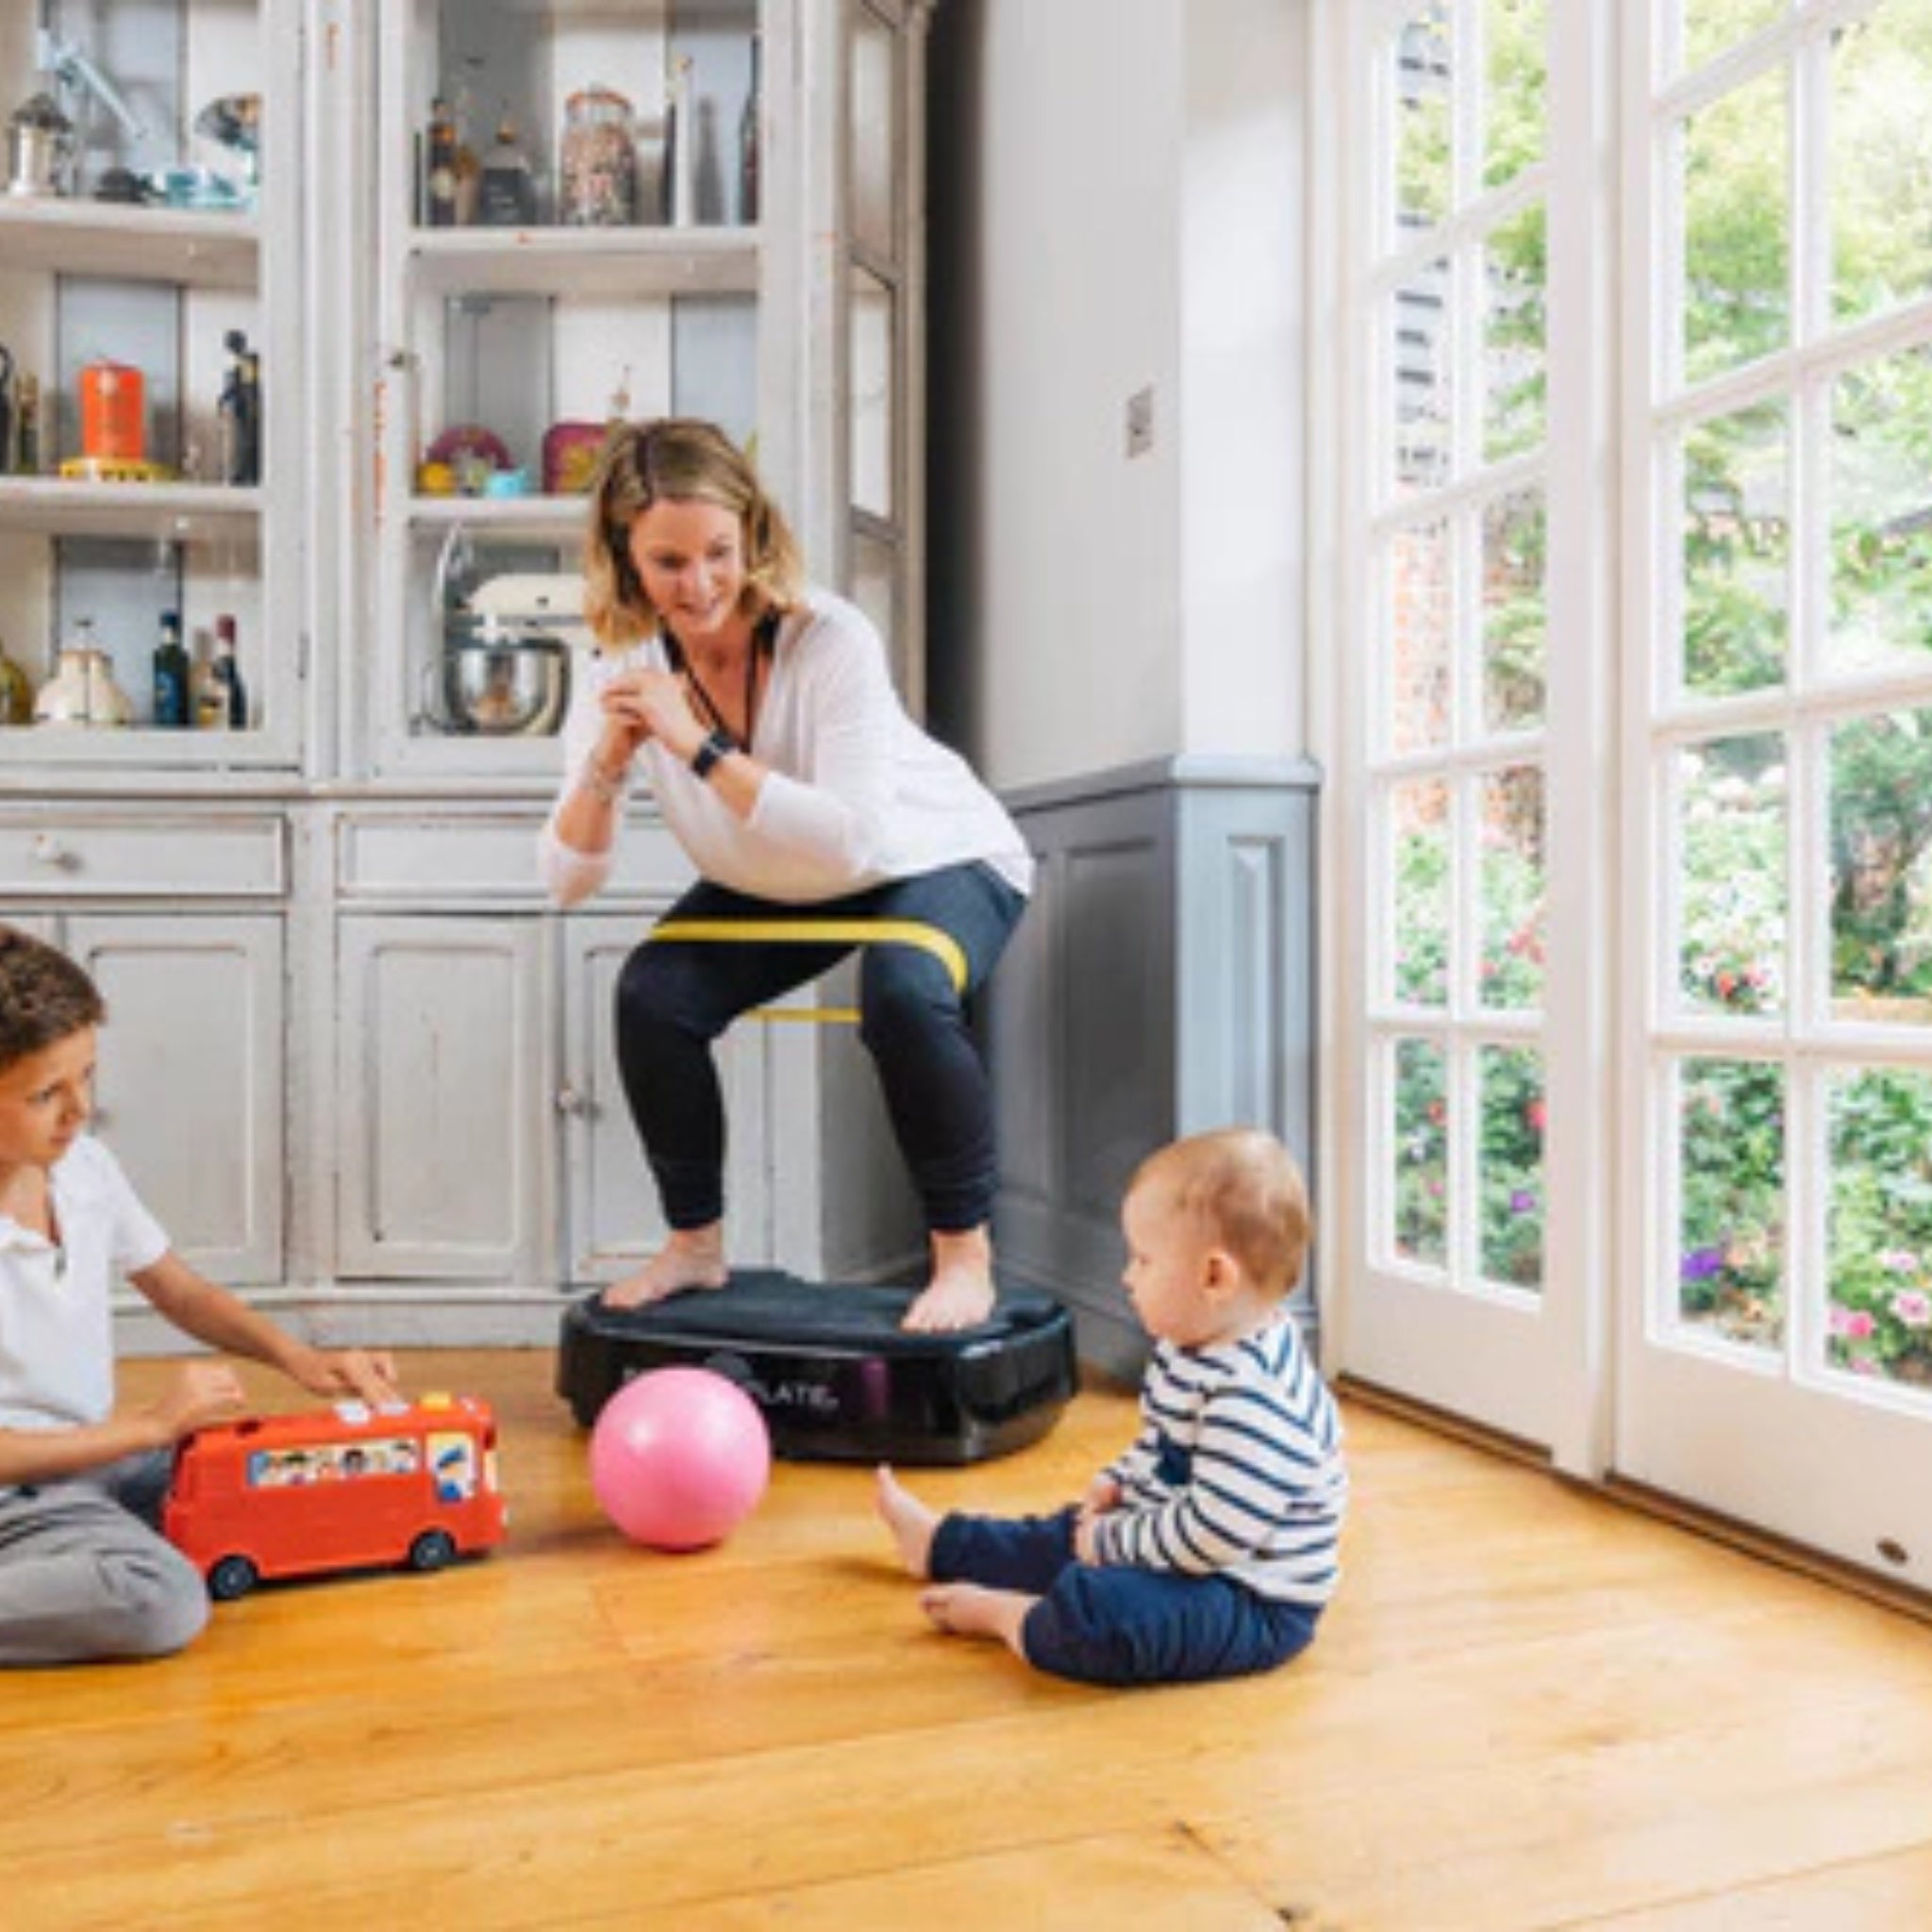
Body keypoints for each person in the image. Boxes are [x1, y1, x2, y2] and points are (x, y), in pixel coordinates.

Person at [540, 418, 1033, 1333]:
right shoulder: (619, 666)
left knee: (903, 992)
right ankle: (695, 1245)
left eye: (718, 553)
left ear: (751, 534)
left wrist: (697, 745)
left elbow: (850, 841)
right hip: (780, 874)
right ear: (624, 557)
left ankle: (964, 1259)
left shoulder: (830, 637)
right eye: (668, 561)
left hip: (932, 853)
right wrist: (608, 756)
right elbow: (568, 881)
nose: (699, 585)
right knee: (653, 995)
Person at [0, 925, 403, 1667]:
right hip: (15, 1489)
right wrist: (150, 1426)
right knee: (159, 1598)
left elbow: (178, 1289)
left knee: (256, 1480)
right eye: (46, 1093)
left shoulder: (84, 1168)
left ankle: (81, 1552)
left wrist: (299, 1358)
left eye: (87, 1076)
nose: (79, 1108)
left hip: (87, 1460)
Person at [874, 1127, 1346, 1688]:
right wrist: (1120, 1484)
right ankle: (939, 1543)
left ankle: (1013, 1618)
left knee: (1102, 1613)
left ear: (1214, 1276)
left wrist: (1111, 1542)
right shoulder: (1191, 1348)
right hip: (1183, 1544)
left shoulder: (1255, 1399)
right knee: (1059, 1534)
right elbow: (1164, 1449)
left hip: (1247, 1596)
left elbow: (1211, 1537)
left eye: (1143, 1260)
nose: (1126, 1277)